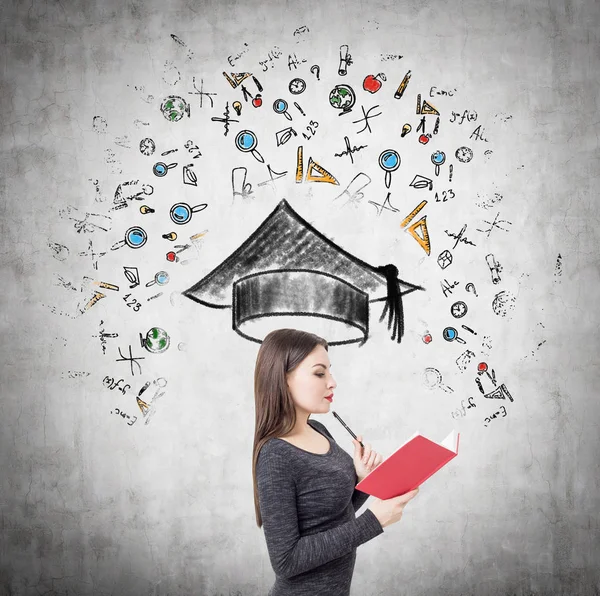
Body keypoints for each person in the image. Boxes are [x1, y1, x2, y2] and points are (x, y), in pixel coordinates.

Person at [252, 328, 419, 595]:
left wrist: (363, 482)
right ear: (283, 380)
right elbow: (286, 561)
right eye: (320, 373)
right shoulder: (276, 456)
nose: (332, 382)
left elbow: (333, 516)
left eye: (329, 372)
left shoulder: (319, 428)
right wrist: (373, 521)